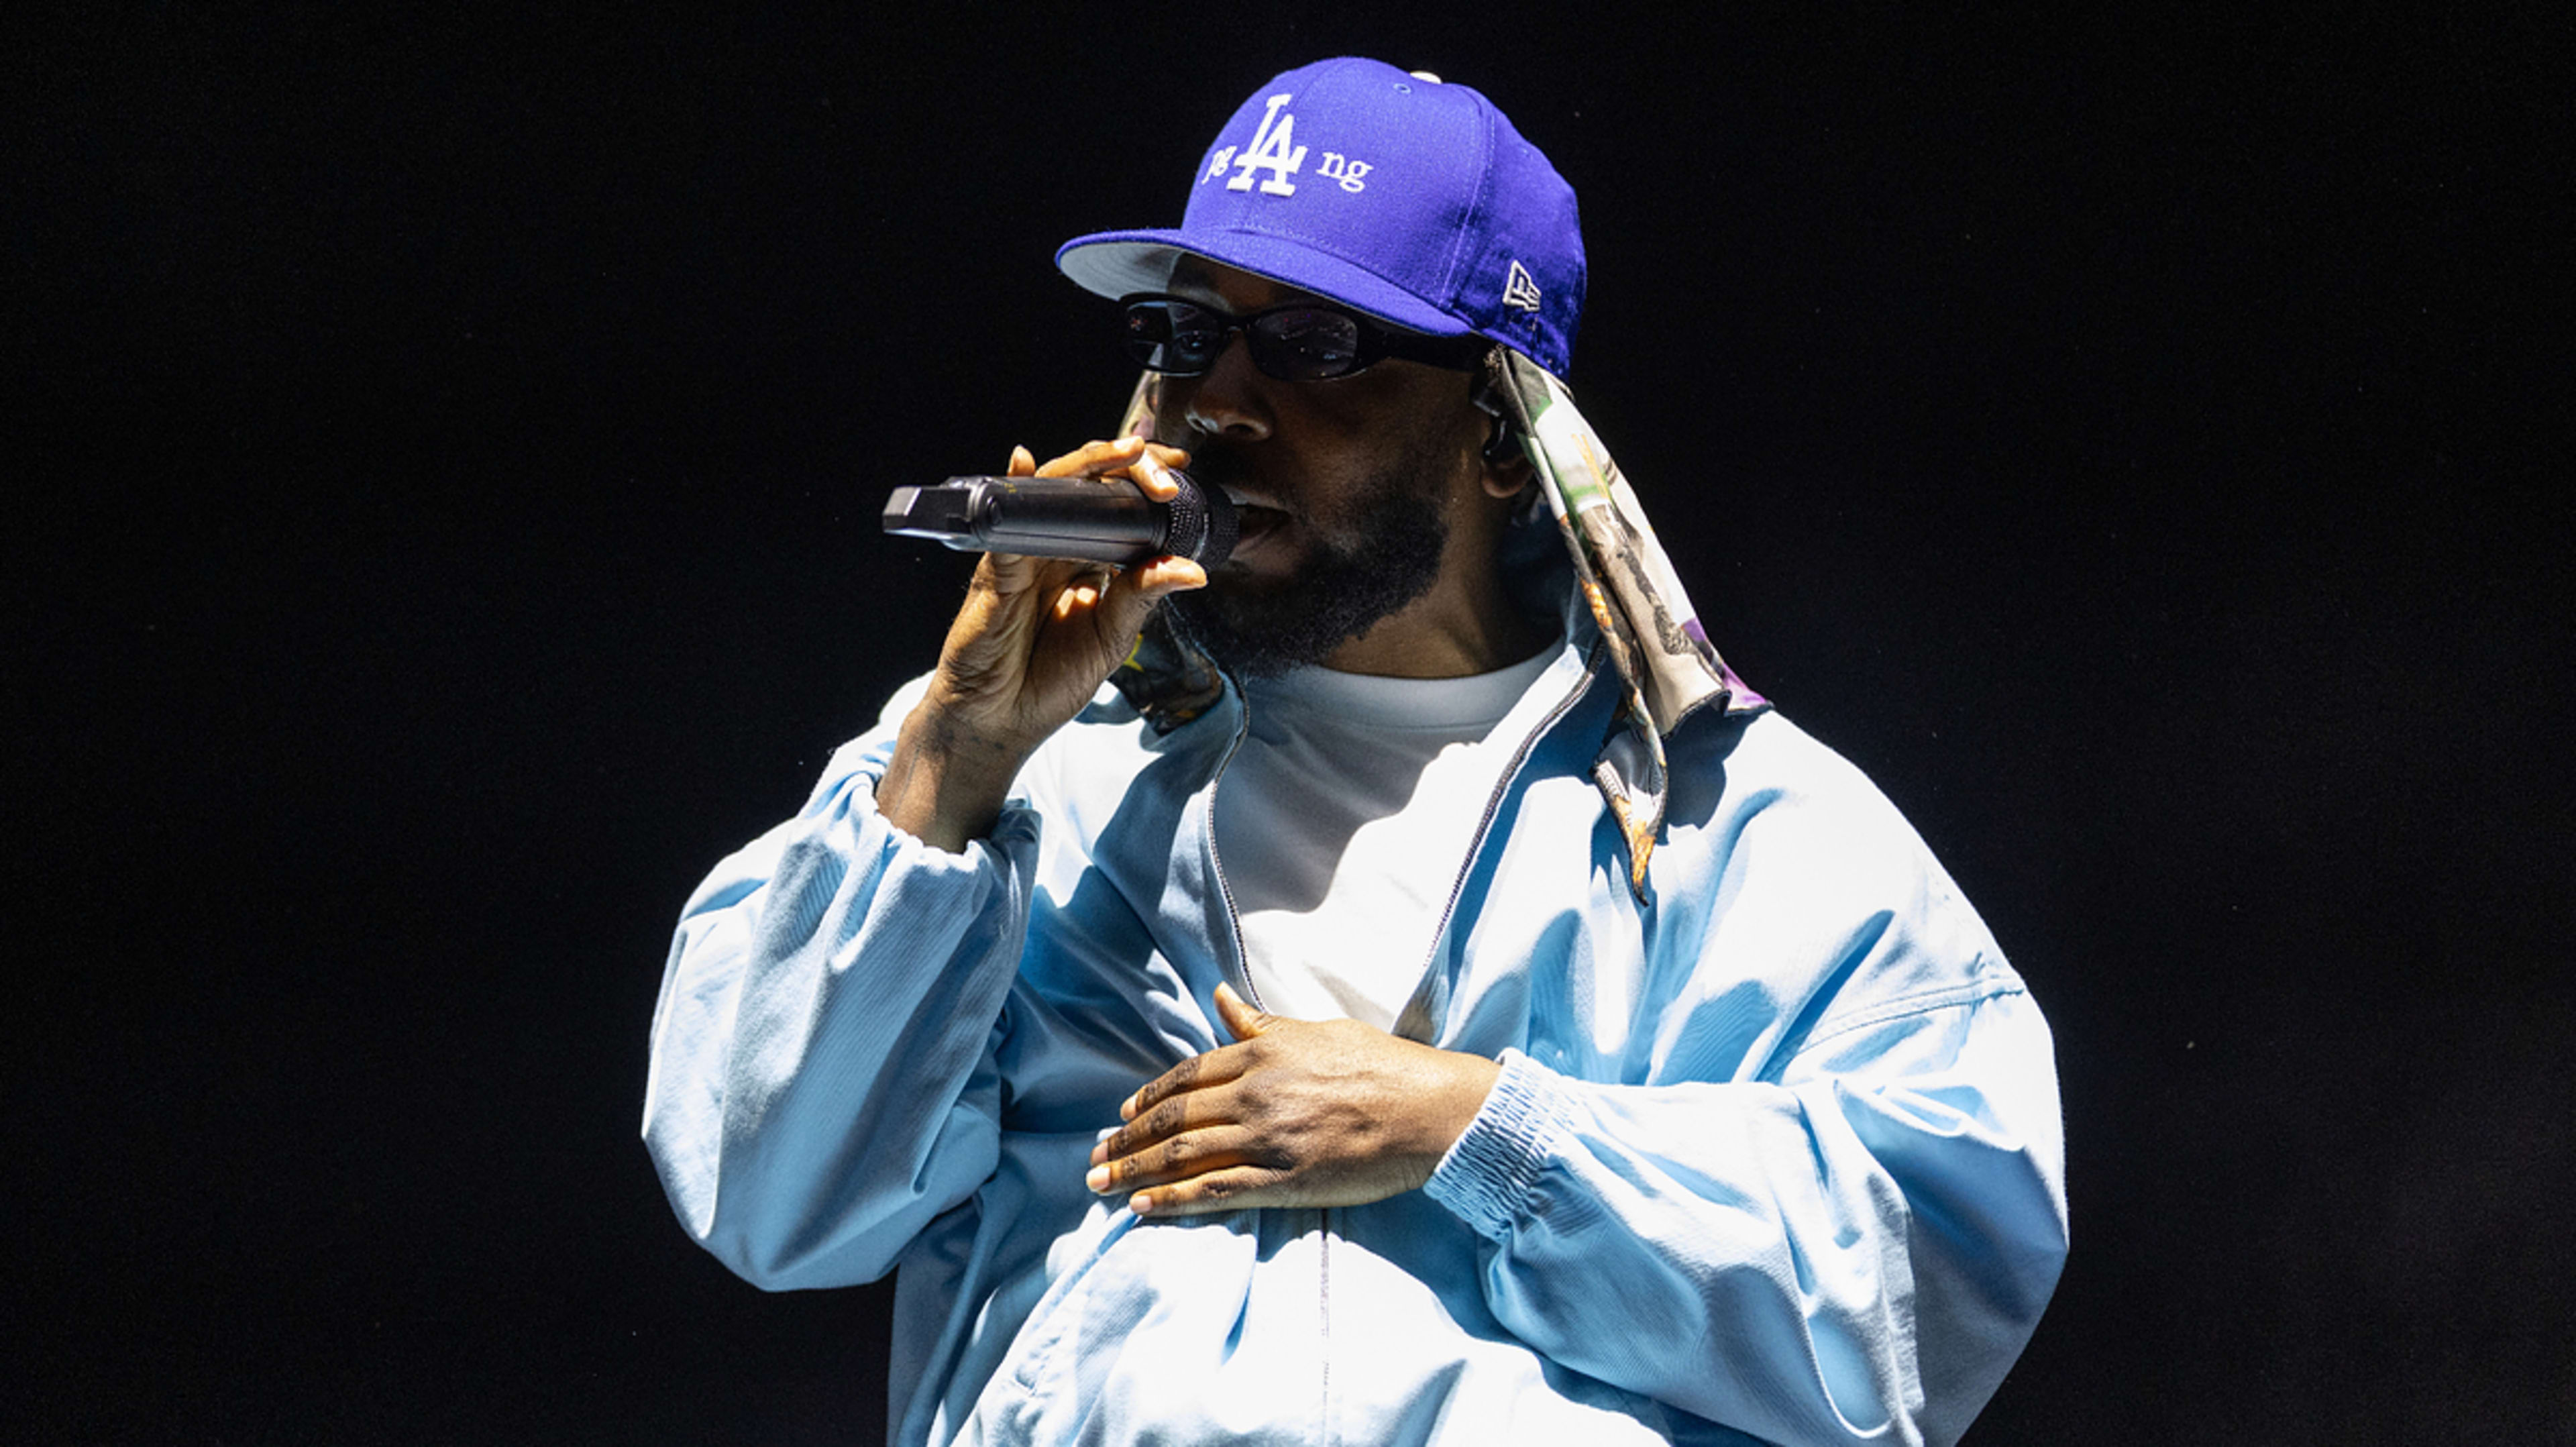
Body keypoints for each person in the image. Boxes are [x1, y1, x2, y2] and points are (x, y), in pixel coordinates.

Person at [643, 57, 2067, 1447]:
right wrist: (953, 762)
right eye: (1190, 335)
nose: (1224, 405)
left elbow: (1924, 1277)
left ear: (1504, 436)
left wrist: (1480, 1132)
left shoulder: (1730, 821)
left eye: (1316, 344)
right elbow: (766, 1197)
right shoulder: (1026, 777)